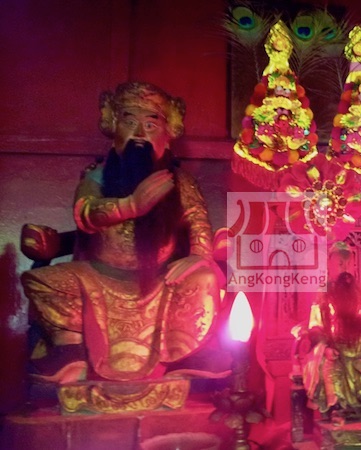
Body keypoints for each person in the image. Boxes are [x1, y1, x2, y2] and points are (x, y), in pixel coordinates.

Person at [21, 82, 224, 383]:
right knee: (42, 281)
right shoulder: (97, 175)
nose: (139, 133)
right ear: (114, 127)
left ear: (166, 134)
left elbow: (197, 220)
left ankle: (184, 354)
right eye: (130, 123)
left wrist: (199, 255)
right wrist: (131, 205)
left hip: (160, 279)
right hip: (97, 277)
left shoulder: (179, 180)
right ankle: (69, 351)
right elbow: (85, 213)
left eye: (150, 125)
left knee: (205, 278)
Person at [300, 243, 361, 420]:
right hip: (335, 347)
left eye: (349, 264)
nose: (345, 269)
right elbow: (315, 325)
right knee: (329, 367)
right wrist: (326, 347)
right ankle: (337, 409)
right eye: (340, 264)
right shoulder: (323, 294)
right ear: (330, 266)